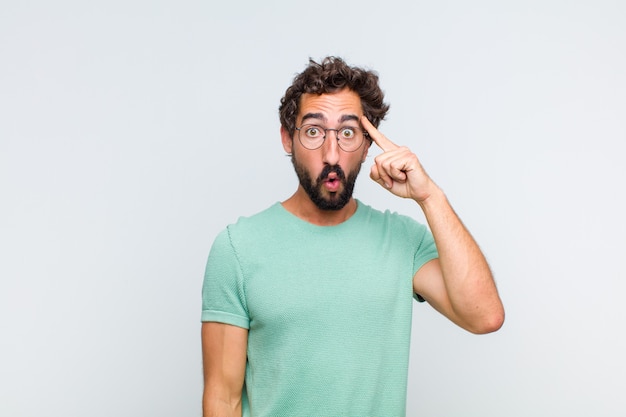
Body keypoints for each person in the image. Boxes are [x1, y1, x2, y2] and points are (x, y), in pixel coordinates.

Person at [201, 56, 504, 417]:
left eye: (347, 133)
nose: (332, 154)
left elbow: (484, 316)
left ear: (366, 143)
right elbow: (223, 400)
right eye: (313, 131)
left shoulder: (403, 241)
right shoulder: (238, 248)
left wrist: (430, 197)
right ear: (288, 138)